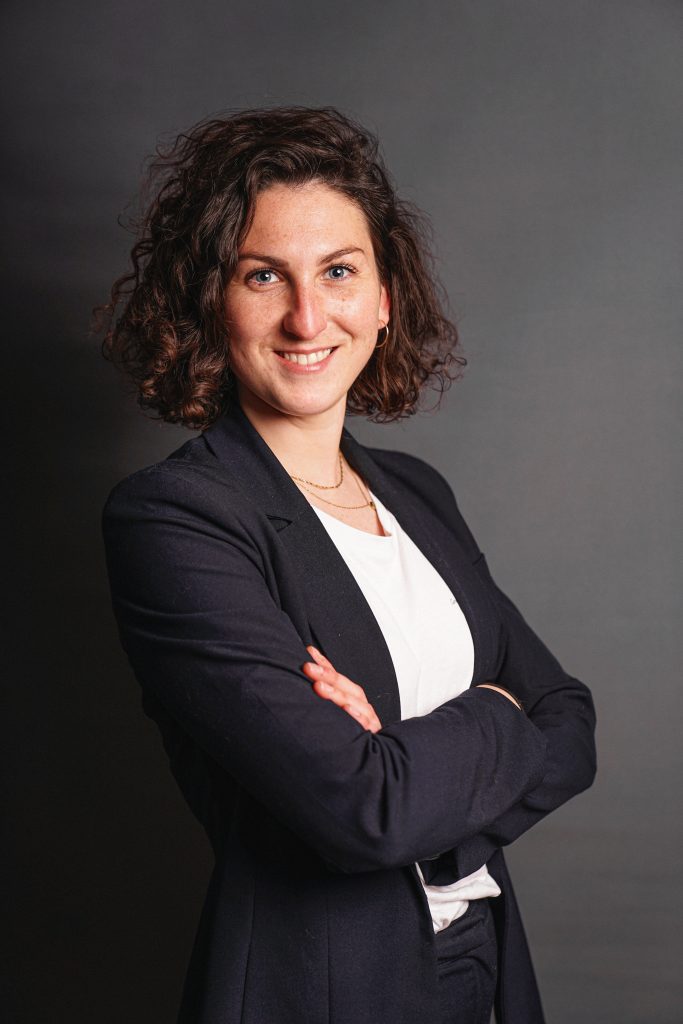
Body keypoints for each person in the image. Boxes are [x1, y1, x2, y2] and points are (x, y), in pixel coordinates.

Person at [96, 106, 596, 1024]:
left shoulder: (416, 492)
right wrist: (496, 707)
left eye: (337, 271)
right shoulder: (177, 520)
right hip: (326, 988)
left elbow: (570, 725)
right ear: (212, 301)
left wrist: (405, 762)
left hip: (482, 966)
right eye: (262, 275)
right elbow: (366, 810)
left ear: (383, 297)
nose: (306, 316)